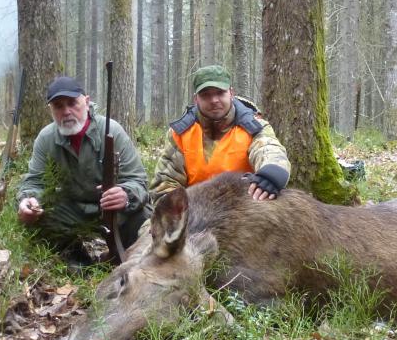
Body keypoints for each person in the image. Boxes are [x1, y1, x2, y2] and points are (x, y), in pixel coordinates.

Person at [15, 75, 149, 262]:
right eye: (58, 106)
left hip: (115, 211)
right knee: (38, 217)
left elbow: (139, 181)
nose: (66, 111)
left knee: (145, 220)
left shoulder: (112, 131)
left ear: (86, 102)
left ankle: (123, 259)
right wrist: (28, 200)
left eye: (72, 103)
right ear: (51, 111)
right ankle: (77, 262)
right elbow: (34, 182)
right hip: (74, 211)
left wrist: (126, 195)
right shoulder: (46, 139)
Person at [152, 64, 291, 201]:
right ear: (196, 99)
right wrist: (176, 211)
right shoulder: (180, 133)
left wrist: (271, 174)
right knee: (148, 224)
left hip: (245, 206)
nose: (214, 100)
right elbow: (166, 182)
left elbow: (268, 149)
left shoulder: (253, 126)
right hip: (195, 211)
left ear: (231, 93)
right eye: (206, 95)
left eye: (220, 93)